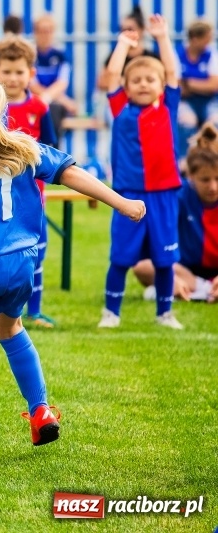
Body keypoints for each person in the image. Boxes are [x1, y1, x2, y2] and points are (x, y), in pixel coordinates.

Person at [0, 67, 145, 470]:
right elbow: (69, 173)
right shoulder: (21, 146)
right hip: (25, 261)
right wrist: (122, 203)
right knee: (10, 327)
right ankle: (41, 412)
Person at [99, 15, 184, 330]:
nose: (144, 84)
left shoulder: (167, 107)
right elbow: (111, 75)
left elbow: (172, 70)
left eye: (151, 80)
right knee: (120, 258)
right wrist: (123, 43)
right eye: (137, 81)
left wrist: (162, 38)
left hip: (164, 194)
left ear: (162, 86)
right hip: (127, 193)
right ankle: (111, 312)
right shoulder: (120, 108)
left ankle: (165, 313)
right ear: (127, 87)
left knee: (165, 259)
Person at [0, 35, 57, 328]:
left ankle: (34, 311)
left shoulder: (40, 108)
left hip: (32, 198)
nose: (13, 78)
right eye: (7, 71)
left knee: (34, 255)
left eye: (19, 72)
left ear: (31, 73)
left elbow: (51, 149)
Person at [134, 123, 218, 303]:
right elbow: (152, 251)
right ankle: (196, 288)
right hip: (186, 270)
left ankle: (190, 292)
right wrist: (172, 278)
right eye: (205, 180)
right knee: (143, 267)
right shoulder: (177, 198)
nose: (213, 187)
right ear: (190, 176)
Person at [29, 14, 78, 146]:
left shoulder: (61, 56)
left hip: (55, 103)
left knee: (52, 109)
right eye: (42, 31)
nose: (46, 35)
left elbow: (62, 83)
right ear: (35, 32)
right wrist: (64, 100)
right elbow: (32, 84)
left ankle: (52, 150)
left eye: (49, 31)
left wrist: (47, 97)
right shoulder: (30, 55)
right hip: (35, 100)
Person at [175, 20, 218, 159]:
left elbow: (213, 85)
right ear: (195, 38)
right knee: (187, 121)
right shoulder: (177, 54)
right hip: (186, 101)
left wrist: (188, 83)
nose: (209, 41)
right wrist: (202, 85)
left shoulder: (212, 55)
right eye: (207, 37)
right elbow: (175, 86)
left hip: (210, 100)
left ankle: (213, 159)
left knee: (214, 121)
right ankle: (184, 161)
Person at [96, 5, 159, 92]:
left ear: (142, 30)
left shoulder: (152, 58)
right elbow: (102, 83)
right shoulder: (115, 57)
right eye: (122, 29)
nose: (126, 33)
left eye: (130, 29)